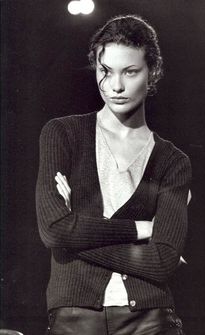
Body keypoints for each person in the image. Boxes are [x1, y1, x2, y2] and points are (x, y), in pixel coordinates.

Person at [36, 14, 192, 335]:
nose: (115, 86)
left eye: (130, 72)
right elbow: (53, 230)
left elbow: (163, 261)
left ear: (153, 73)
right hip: (73, 318)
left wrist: (72, 235)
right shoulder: (62, 134)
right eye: (105, 71)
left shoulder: (173, 161)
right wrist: (140, 229)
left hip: (150, 319)